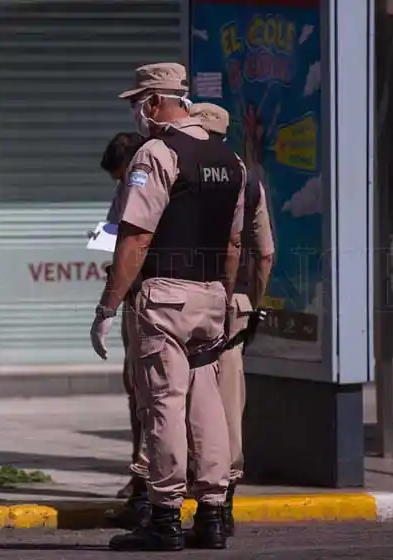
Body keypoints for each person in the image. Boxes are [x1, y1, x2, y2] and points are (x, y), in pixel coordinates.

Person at [91, 62, 245, 551]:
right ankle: (214, 514)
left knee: (164, 405)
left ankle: (163, 517)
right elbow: (235, 243)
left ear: (156, 101)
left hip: (164, 298)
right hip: (210, 297)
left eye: (140, 101)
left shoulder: (157, 153)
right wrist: (222, 294)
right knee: (208, 409)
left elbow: (135, 238)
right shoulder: (229, 159)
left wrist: (108, 305)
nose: (138, 112)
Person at [190, 102, 275, 535]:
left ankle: (179, 502)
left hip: (185, 300)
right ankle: (222, 507)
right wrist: (249, 304)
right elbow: (265, 254)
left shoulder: (181, 167)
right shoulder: (248, 177)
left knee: (179, 403)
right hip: (234, 307)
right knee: (227, 407)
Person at [97, 132, 149, 505]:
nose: (121, 182)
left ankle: (153, 481)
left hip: (158, 298)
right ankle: (141, 475)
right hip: (133, 298)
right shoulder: (126, 190)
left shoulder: (153, 181)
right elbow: (109, 239)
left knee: (157, 394)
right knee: (137, 390)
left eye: (122, 173)